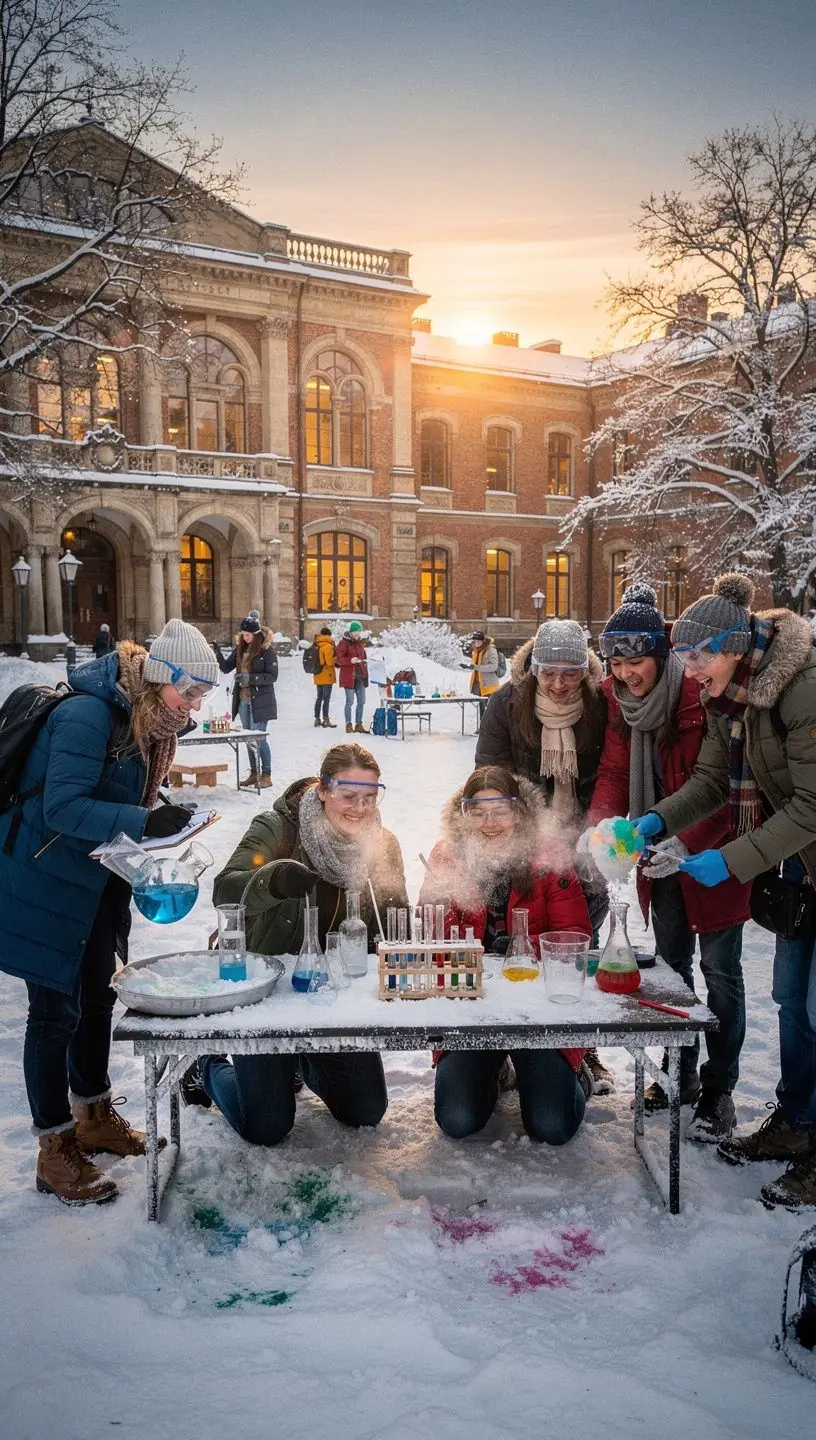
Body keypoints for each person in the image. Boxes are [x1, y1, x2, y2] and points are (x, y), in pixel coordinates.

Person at [0, 618, 218, 1205]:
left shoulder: (144, 719)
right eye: (191, 690)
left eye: (203, 694)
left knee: (97, 997)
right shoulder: (89, 714)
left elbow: (113, 790)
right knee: (53, 1013)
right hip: (44, 878)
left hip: (95, 877)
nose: (196, 704)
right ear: (160, 676)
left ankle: (93, 1113)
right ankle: (54, 1150)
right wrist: (145, 823)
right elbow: (63, 808)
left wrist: (163, 812)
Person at [633, 574, 816, 1207]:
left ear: (736, 645)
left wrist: (730, 860)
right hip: (799, 868)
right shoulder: (728, 696)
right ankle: (797, 1125)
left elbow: (813, 803)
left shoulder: (802, 688)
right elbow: (712, 780)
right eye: (683, 654)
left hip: (803, 844)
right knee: (793, 1000)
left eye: (699, 653)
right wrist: (657, 818)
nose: (689, 667)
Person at [589, 582, 750, 1140]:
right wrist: (602, 827)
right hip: (658, 854)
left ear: (660, 655)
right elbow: (614, 770)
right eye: (617, 663)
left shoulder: (702, 692)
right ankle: (677, 1075)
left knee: (721, 974)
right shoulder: (620, 701)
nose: (627, 674)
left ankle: (719, 1089)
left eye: (637, 662)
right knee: (673, 969)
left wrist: (691, 840)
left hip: (716, 852)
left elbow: (723, 783)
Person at [184, 743, 408, 1144]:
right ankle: (208, 1063)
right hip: (266, 989)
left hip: (332, 996)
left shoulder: (383, 845)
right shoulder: (279, 828)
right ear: (323, 790)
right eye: (348, 796)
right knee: (267, 1126)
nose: (360, 808)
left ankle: (300, 1061)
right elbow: (225, 890)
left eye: (370, 798)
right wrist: (273, 880)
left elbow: (391, 926)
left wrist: (399, 926)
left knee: (365, 1109)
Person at [419, 765, 592, 1142]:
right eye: (477, 812)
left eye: (500, 811)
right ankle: (493, 1070)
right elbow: (430, 935)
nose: (489, 823)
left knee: (552, 1126)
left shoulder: (547, 856)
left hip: (538, 1008)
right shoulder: (448, 856)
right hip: (471, 1008)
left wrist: (525, 953)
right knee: (458, 1119)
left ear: (519, 811)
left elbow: (575, 934)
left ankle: (570, 1075)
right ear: (463, 814)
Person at [476, 617, 612, 1092]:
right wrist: (529, 836)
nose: (558, 683)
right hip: (525, 835)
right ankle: (503, 1044)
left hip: (585, 835)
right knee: (522, 937)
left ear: (585, 670)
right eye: (548, 672)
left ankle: (582, 1047)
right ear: (533, 668)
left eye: (570, 673)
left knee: (581, 939)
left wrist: (595, 832)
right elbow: (490, 772)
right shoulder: (507, 703)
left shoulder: (600, 704)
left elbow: (613, 769)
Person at [214, 614, 278, 788]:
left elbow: (272, 676)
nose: (244, 637)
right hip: (243, 700)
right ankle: (254, 773)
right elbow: (226, 668)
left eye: (248, 634)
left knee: (259, 738)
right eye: (243, 634)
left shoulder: (266, 651)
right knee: (248, 738)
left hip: (260, 701)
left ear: (256, 634)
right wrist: (217, 654)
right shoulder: (240, 649)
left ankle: (266, 775)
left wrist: (249, 678)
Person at [335, 619, 368, 733]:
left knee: (362, 701)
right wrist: (350, 660)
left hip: (360, 677)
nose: (358, 633)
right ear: (351, 632)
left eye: (359, 631)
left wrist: (366, 673)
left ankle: (358, 725)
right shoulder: (343, 643)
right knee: (350, 702)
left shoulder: (360, 644)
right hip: (349, 677)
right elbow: (338, 660)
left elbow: (363, 659)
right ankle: (348, 724)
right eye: (356, 631)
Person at [466, 631, 500, 715]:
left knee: (489, 711)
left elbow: (494, 666)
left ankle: (489, 727)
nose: (476, 643)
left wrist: (476, 667)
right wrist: (468, 666)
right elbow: (476, 666)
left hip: (489, 685)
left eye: (478, 641)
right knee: (482, 709)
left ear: (483, 641)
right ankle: (482, 726)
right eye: (475, 641)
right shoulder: (476, 651)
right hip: (478, 684)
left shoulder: (491, 650)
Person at [313, 625, 337, 729]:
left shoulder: (316, 644)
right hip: (327, 675)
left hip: (317, 674)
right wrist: (336, 658)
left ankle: (317, 719)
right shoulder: (328, 646)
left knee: (319, 697)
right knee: (326, 699)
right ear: (328, 635)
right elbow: (329, 662)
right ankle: (326, 719)